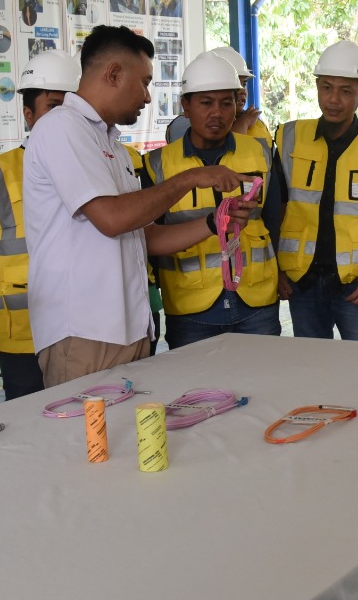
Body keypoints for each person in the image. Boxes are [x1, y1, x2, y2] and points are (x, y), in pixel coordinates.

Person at [23, 28, 254, 386]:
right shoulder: (61, 129)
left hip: (128, 328)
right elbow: (112, 219)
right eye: (144, 82)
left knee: (127, 438)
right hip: (84, 333)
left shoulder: (111, 143)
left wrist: (214, 222)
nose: (147, 97)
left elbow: (145, 237)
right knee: (86, 441)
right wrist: (191, 178)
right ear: (114, 74)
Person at [0, 50, 80, 400]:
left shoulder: (98, 165)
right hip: (24, 335)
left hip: (86, 329)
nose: (65, 119)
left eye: (74, 108)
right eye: (54, 107)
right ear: (28, 114)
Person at [143, 52, 278, 349]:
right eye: (206, 103)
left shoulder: (261, 152)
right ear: (186, 107)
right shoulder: (157, 165)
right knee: (195, 393)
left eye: (226, 103)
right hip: (191, 306)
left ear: (237, 104)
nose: (216, 113)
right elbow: (149, 240)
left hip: (256, 300)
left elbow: (277, 220)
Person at [270, 40, 358, 341]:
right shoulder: (290, 138)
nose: (333, 99)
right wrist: (277, 268)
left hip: (356, 285)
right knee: (312, 370)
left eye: (346, 91)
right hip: (302, 281)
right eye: (326, 88)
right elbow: (275, 210)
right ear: (316, 87)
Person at [164, 44, 272, 147]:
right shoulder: (183, 124)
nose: (242, 91)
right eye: (236, 84)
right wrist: (243, 124)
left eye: (244, 84)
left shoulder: (256, 122)